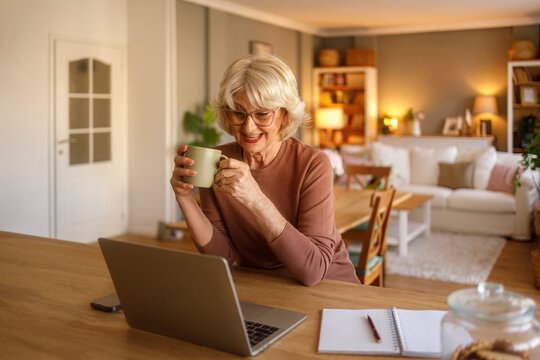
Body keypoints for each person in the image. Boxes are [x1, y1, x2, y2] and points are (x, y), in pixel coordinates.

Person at [170, 55, 359, 286]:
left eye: (262, 114)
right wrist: (185, 198)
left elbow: (313, 270)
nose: (248, 127)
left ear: (284, 115)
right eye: (238, 113)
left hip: (329, 288)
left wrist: (255, 198)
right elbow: (223, 258)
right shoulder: (219, 162)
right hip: (266, 287)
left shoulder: (313, 164)